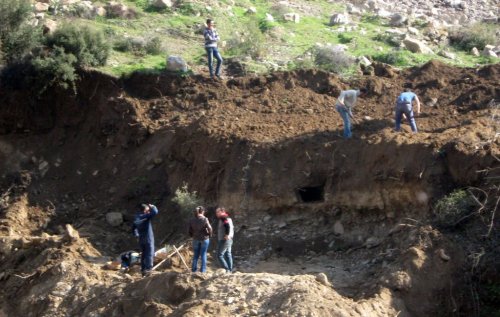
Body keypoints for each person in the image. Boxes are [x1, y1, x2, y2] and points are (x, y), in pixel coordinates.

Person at [132, 203, 159, 277]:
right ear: (144, 210)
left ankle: (143, 271)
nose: (148, 211)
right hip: (148, 239)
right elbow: (155, 212)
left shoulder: (137, 218)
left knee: (143, 255)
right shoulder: (145, 217)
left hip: (141, 239)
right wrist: (153, 206)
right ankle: (149, 270)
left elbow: (133, 228)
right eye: (147, 210)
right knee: (149, 254)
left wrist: (136, 235)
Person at [188, 206, 213, 273]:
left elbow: (189, 230)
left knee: (195, 254)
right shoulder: (205, 219)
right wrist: (209, 235)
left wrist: (191, 236)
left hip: (195, 239)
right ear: (202, 212)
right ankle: (203, 270)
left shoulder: (192, 220)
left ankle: (194, 270)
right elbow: (210, 228)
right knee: (203, 254)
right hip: (204, 239)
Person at [216, 207, 234, 273]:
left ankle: (227, 269)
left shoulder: (223, 217)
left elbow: (227, 226)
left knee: (219, 255)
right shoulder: (229, 218)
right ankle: (230, 270)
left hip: (225, 240)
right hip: (230, 239)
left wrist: (226, 235)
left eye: (218, 212)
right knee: (228, 254)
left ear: (222, 211)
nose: (216, 214)